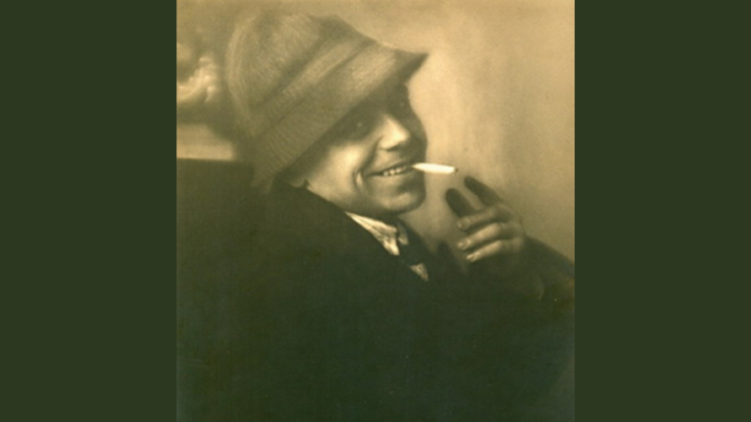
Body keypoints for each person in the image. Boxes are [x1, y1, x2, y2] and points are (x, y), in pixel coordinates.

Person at [182, 10, 574, 422]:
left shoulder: (376, 238)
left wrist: (509, 275)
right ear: (293, 165)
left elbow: (484, 374)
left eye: (399, 103)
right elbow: (478, 396)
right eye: (355, 125)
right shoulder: (290, 290)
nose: (401, 135)